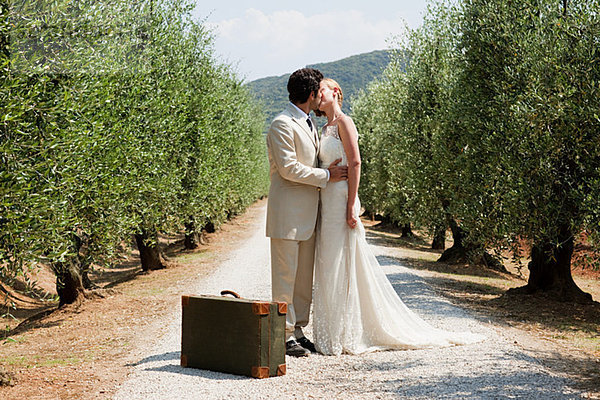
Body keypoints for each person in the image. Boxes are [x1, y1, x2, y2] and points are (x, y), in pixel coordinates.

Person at [312, 78, 485, 355]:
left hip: (342, 200)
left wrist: (350, 207)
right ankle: (332, 332)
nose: (318, 95)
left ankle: (346, 334)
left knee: (343, 263)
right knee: (329, 263)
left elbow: (355, 162)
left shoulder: (345, 122)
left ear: (335, 92)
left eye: (322, 89)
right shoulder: (324, 127)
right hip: (326, 201)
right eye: (317, 91)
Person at [266, 68, 348, 357]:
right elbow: (289, 170)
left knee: (302, 282)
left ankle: (298, 330)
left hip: (311, 217)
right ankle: (283, 334)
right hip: (287, 217)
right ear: (311, 95)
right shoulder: (281, 124)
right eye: (318, 93)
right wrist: (327, 176)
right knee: (285, 278)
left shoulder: (310, 123)